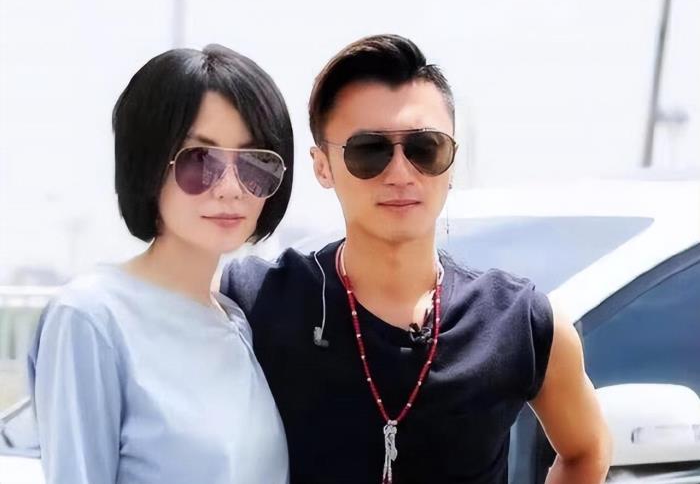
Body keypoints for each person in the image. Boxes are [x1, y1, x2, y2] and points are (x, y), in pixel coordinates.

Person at [220, 34, 612, 483]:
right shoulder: (255, 301)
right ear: (322, 165)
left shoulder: (518, 322)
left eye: (426, 148)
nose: (401, 173)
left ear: (452, 160)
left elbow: (587, 450)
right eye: (369, 151)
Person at [27, 44, 293, 484]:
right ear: (149, 165)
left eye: (255, 163)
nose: (231, 188)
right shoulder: (91, 317)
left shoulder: (235, 322)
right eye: (200, 159)